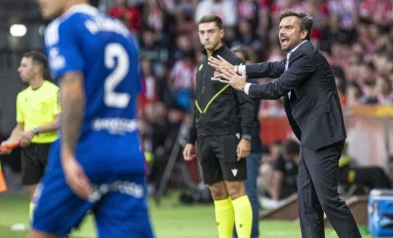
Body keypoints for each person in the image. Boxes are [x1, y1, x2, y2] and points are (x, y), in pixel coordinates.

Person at [209, 9, 362, 238]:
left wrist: (244, 86)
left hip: (323, 137)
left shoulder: (307, 56)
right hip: (312, 139)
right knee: (307, 204)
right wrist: (238, 68)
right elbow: (271, 68)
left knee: (328, 200)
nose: (282, 31)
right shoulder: (296, 57)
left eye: (289, 27)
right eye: (280, 28)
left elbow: (277, 87)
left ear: (304, 33)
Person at [31, 0, 155, 237]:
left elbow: (72, 90)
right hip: (126, 153)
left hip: (85, 151)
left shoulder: (64, 27)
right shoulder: (123, 33)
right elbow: (134, 98)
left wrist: (67, 155)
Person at [183, 14, 255, 238]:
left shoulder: (234, 62)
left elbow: (247, 103)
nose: (206, 36)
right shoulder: (202, 67)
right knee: (216, 192)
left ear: (221, 33)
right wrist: (190, 139)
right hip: (205, 138)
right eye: (202, 32)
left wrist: (246, 137)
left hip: (228, 136)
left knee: (236, 190)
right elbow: (198, 107)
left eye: (211, 32)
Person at [0, 51, 60, 221]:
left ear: (36, 69)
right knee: (34, 198)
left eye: (24, 65)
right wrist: (8, 143)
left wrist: (34, 131)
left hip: (51, 148)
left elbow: (59, 122)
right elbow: (20, 128)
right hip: (29, 150)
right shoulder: (22, 96)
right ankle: (38, 231)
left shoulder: (54, 91)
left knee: (52, 195)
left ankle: (57, 230)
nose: (19, 69)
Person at [230, 46, 262, 238]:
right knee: (234, 195)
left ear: (248, 64)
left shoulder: (252, 85)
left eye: (240, 61)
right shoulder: (227, 84)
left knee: (248, 194)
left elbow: (246, 115)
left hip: (249, 145)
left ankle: (252, 235)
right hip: (230, 145)